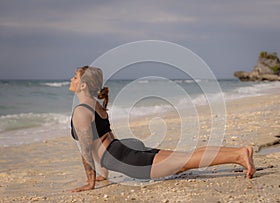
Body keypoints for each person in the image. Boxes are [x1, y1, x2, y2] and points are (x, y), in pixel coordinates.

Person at [69, 66, 256, 192]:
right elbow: (105, 138)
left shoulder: (81, 111)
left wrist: (90, 183)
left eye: (75, 77)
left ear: (83, 85)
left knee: (184, 162)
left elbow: (87, 149)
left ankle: (239, 155)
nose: (71, 79)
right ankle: (240, 152)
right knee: (184, 158)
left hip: (122, 156)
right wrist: (104, 174)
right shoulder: (95, 105)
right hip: (121, 150)